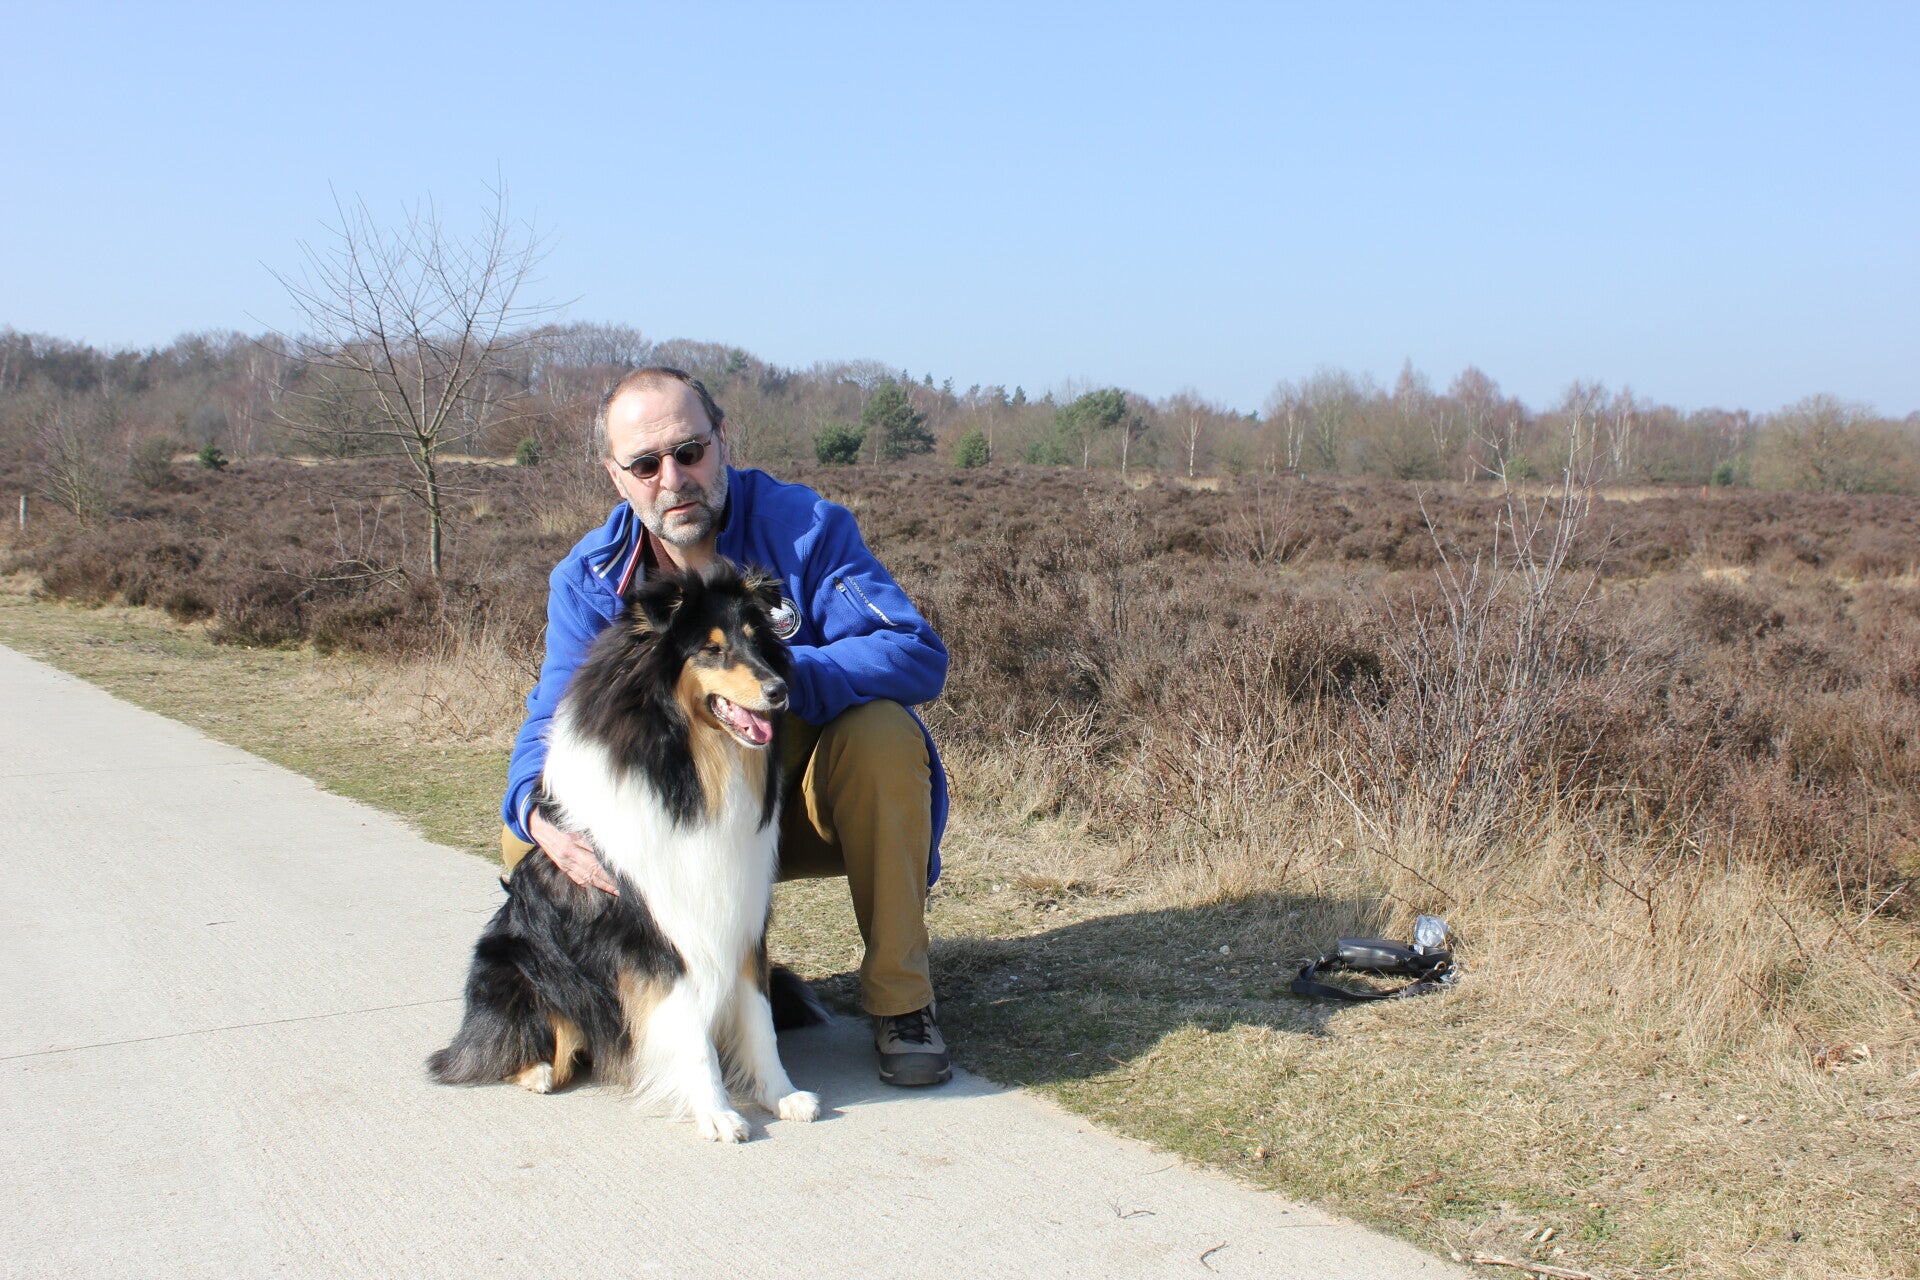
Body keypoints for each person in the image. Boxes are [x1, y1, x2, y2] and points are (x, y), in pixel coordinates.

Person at [499, 366, 953, 1087]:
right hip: (679, 828)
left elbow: (914, 651)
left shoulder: (806, 529)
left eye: (690, 451)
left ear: (722, 439)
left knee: (883, 734)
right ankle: (622, 1014)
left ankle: (902, 1003)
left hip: (795, 813)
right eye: (645, 465)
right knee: (533, 832)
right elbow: (551, 721)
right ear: (616, 475)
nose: (673, 478)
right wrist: (528, 805)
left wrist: (769, 678)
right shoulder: (589, 579)